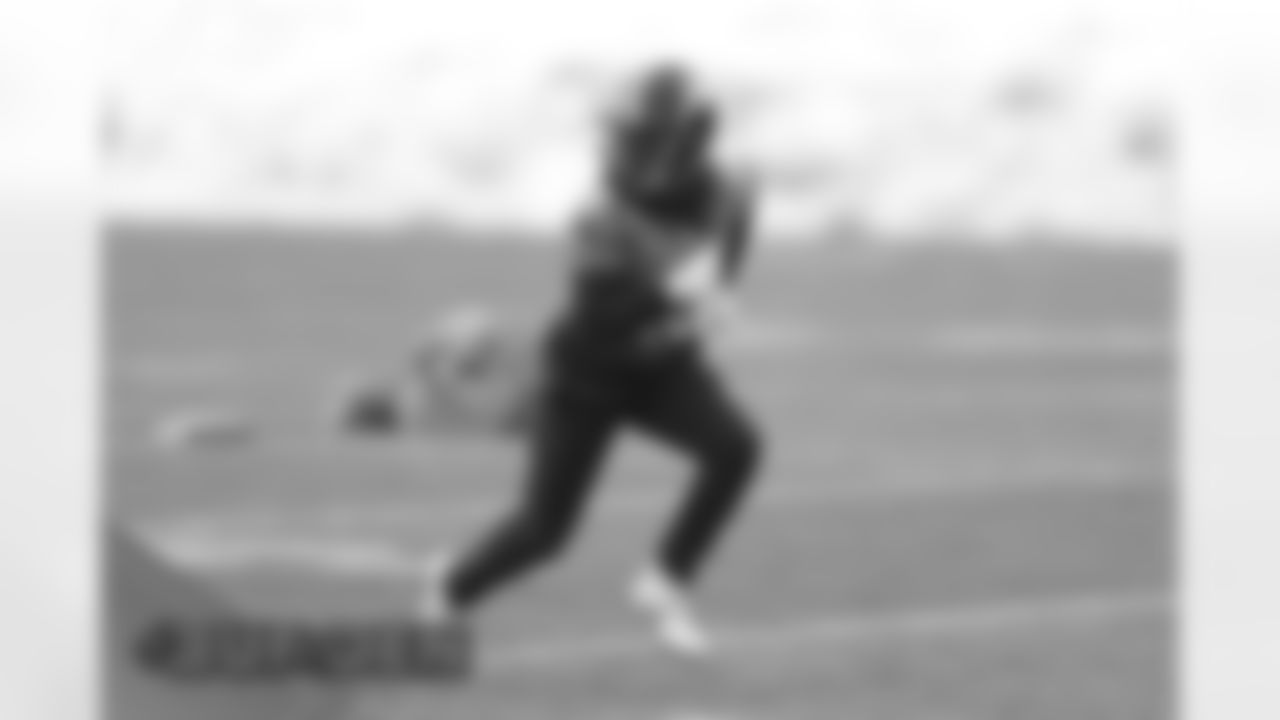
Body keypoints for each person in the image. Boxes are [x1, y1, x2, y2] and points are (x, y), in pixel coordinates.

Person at [418, 61, 765, 667]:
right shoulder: (601, 213)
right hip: (587, 376)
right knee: (545, 531)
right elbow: (606, 312)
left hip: (661, 367)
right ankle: (449, 590)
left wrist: (722, 287)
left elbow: (732, 237)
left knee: (736, 447)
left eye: (640, 138)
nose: (623, 148)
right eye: (625, 136)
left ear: (682, 143)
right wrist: (685, 295)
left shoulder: (724, 190)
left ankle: (665, 580)